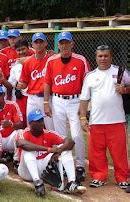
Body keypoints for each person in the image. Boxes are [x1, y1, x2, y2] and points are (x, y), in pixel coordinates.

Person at [79, 45, 129, 190]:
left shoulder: (120, 71)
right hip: (96, 120)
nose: (103, 59)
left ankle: (122, 177)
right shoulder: (90, 76)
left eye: (106, 56)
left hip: (117, 120)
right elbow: (84, 99)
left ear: (111, 57)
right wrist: (83, 117)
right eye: (100, 56)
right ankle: (98, 176)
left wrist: (125, 89)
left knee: (119, 152)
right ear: (96, 58)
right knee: (96, 152)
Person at [44, 31, 90, 181]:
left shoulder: (80, 60)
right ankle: (65, 163)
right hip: (57, 100)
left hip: (76, 100)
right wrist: (46, 102)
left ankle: (80, 165)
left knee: (76, 134)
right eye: (61, 43)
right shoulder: (51, 61)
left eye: (66, 42)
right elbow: (47, 83)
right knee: (61, 135)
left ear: (72, 44)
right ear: (58, 45)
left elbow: (88, 83)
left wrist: (84, 105)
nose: (64, 45)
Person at [16, 109, 86, 196]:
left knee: (65, 149)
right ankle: (37, 182)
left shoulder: (48, 133)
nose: (41, 123)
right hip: (26, 171)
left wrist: (59, 151)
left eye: (42, 120)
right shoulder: (23, 132)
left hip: (42, 169)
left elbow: (70, 142)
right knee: (28, 151)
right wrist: (48, 149)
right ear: (30, 123)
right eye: (38, 121)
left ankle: (72, 182)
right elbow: (22, 144)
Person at [18, 33, 54, 130]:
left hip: (47, 97)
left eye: (41, 42)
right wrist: (21, 85)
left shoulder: (52, 59)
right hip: (32, 98)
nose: (38, 44)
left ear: (45, 43)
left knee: (51, 127)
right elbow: (25, 82)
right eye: (36, 42)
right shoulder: (28, 62)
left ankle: (54, 145)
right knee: (31, 126)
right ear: (32, 45)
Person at [0, 85, 23, 170]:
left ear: (3, 95)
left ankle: (16, 161)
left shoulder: (12, 105)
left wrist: (11, 125)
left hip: (10, 138)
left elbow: (21, 124)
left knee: (20, 133)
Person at [8, 39, 30, 126]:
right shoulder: (15, 66)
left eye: (23, 49)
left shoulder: (35, 60)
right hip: (22, 97)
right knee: (23, 120)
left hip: (34, 96)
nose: (21, 52)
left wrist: (28, 59)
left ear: (28, 49)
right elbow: (11, 84)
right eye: (18, 50)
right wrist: (2, 80)